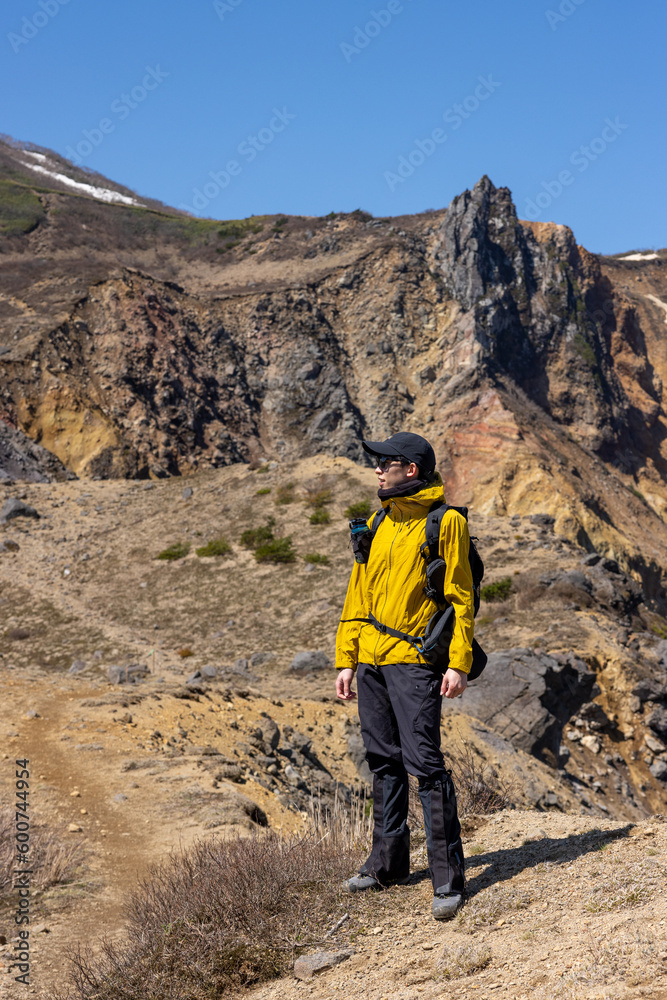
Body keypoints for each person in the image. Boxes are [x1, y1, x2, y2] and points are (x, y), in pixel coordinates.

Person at [335, 431, 474, 920]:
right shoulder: (378, 522)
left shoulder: (446, 523)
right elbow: (359, 596)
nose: (377, 469)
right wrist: (346, 658)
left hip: (415, 660)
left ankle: (447, 879)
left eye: (385, 461)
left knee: (426, 766)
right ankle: (387, 866)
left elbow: (461, 598)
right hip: (372, 658)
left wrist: (457, 663)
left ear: (410, 469)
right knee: (382, 761)